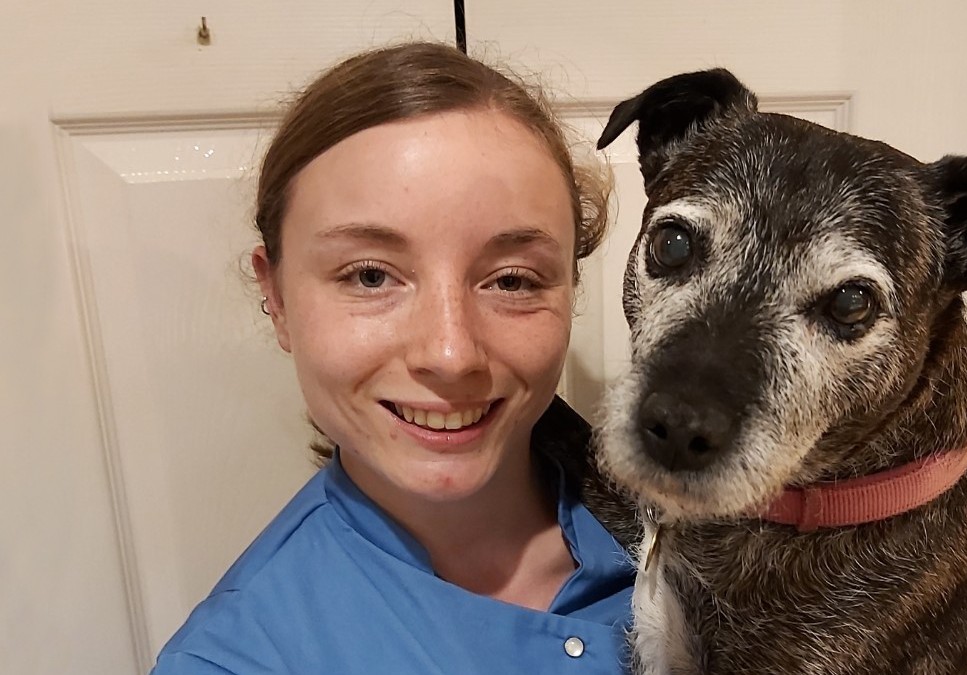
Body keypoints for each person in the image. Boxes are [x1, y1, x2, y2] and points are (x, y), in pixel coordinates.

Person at [151, 42, 635, 674]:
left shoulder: (710, 522)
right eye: (371, 276)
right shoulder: (235, 660)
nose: (451, 354)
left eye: (512, 280)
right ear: (278, 298)